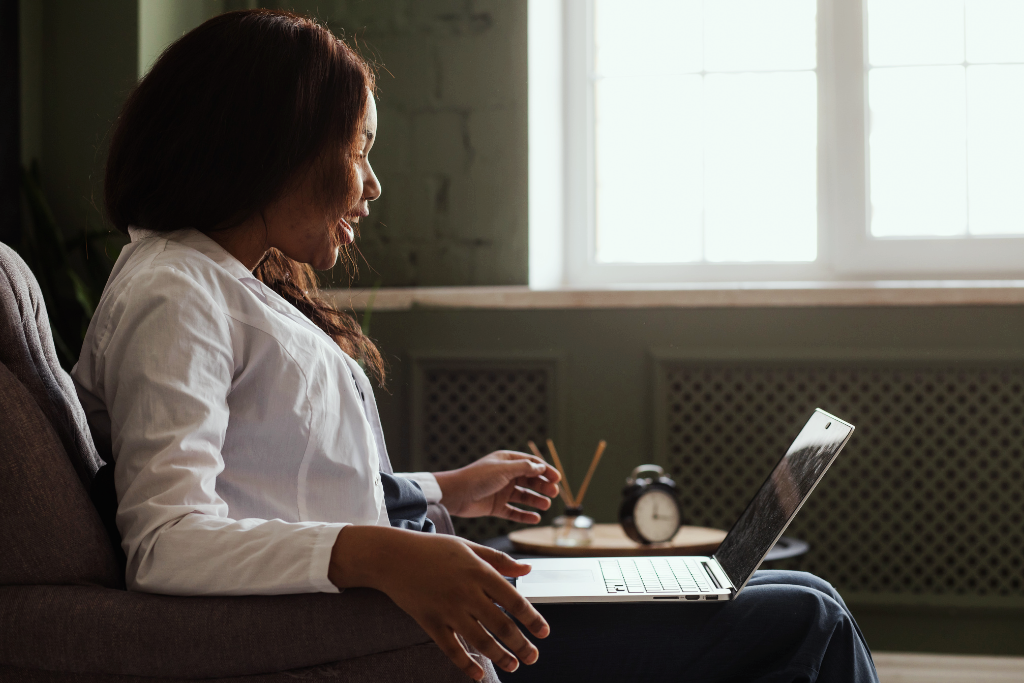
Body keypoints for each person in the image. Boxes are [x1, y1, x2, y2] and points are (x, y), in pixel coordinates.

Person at [72, 10, 879, 683]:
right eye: (359, 151)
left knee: (800, 587)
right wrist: (390, 557)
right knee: (806, 617)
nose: (374, 185)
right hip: (399, 634)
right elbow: (168, 539)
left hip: (420, 601)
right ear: (273, 147)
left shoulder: (219, 281)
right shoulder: (176, 292)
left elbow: (278, 480)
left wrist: (446, 489)